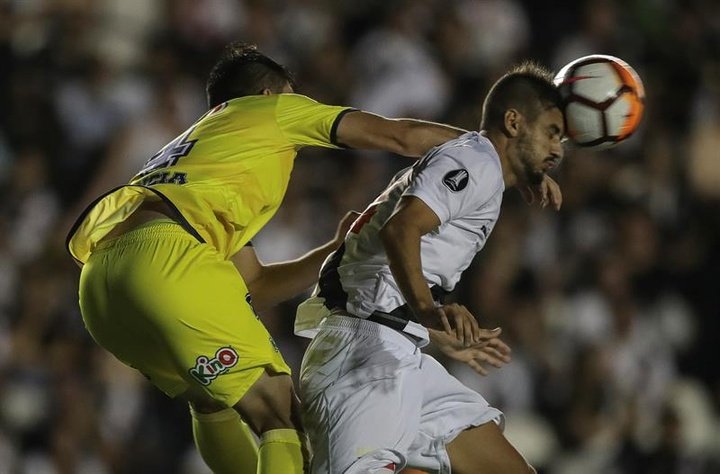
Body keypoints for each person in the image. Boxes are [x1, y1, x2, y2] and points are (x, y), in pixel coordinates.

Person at [66, 42, 468, 474]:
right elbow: (400, 135)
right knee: (278, 412)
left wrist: (334, 251)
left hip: (103, 283)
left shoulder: (204, 153)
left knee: (209, 398)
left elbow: (252, 286)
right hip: (167, 260)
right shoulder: (271, 110)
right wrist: (488, 152)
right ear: (269, 95)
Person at [295, 62, 565, 474]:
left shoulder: (479, 162)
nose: (558, 150)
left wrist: (426, 323)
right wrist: (428, 311)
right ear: (513, 122)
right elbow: (401, 229)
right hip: (364, 352)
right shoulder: (476, 164)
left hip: (398, 345)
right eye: (551, 132)